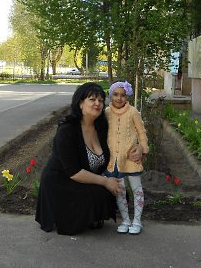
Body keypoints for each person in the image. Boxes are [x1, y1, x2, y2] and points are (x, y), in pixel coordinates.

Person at [35, 82, 125, 235]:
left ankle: (91, 216)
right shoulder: (67, 130)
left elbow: (124, 139)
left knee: (116, 190)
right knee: (100, 193)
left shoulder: (101, 126)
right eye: (92, 99)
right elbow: (73, 172)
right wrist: (105, 181)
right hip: (61, 183)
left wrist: (139, 149)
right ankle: (69, 218)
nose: (98, 104)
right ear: (80, 103)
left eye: (101, 100)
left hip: (82, 178)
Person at [104, 81, 149, 235]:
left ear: (127, 96)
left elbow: (141, 132)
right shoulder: (106, 113)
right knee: (120, 191)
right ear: (111, 95)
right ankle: (125, 220)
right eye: (116, 94)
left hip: (131, 158)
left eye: (123, 95)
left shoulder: (133, 112)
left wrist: (143, 149)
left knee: (137, 189)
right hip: (114, 160)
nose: (119, 98)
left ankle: (137, 220)